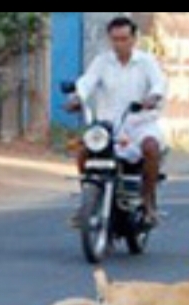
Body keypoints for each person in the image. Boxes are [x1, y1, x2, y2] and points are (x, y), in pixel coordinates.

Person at [72, 16, 168, 225]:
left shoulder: (146, 62)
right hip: (109, 127)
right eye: (115, 39)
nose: (119, 44)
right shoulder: (102, 61)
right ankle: (88, 200)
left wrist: (152, 98)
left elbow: (159, 84)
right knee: (82, 151)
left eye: (124, 39)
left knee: (151, 148)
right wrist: (78, 97)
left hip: (140, 124)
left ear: (134, 39)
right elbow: (86, 83)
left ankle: (147, 200)